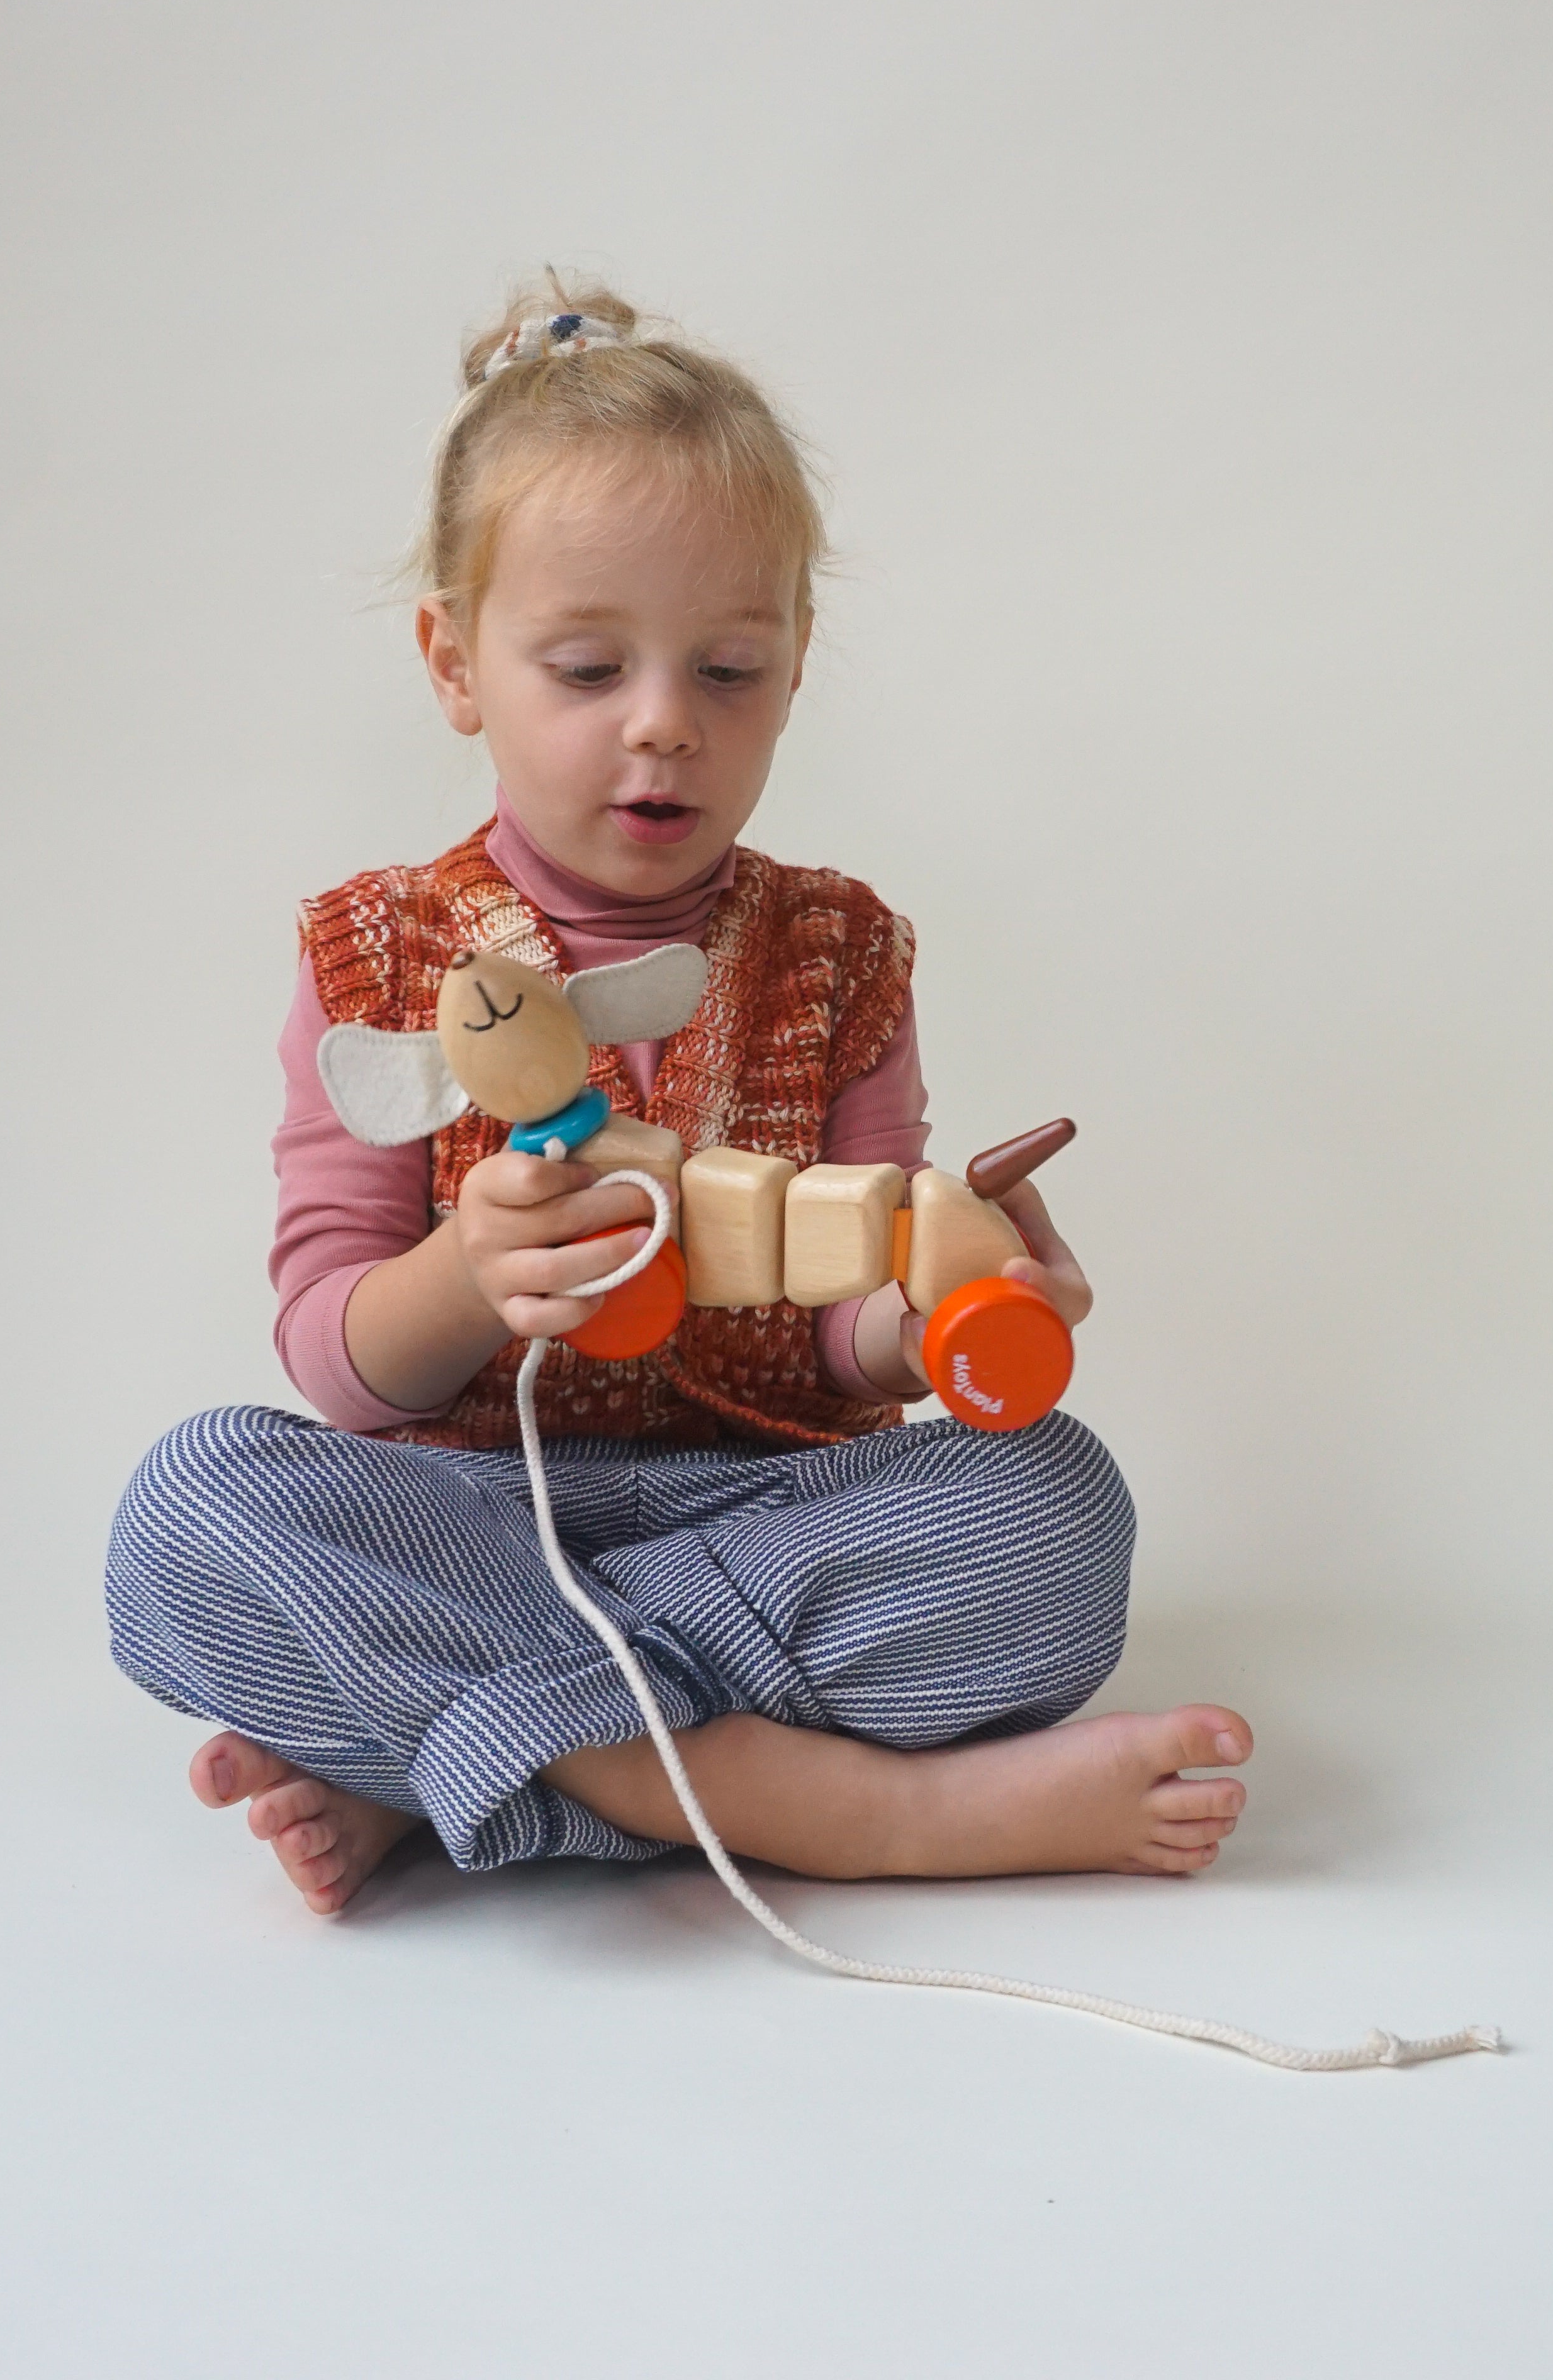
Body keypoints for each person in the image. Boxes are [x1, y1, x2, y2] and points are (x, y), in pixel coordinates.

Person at [106, 282, 1252, 1914]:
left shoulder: (840, 953)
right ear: (454, 661)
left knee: (1057, 1508)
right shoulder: (378, 956)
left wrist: (946, 1319)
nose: (663, 724)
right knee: (191, 1512)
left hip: (758, 1502)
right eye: (586, 667)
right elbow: (331, 1363)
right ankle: (858, 1815)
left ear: (792, 675)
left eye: (729, 669)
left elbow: (835, 1345)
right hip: (466, 1507)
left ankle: (439, 1766)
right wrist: (464, 1278)